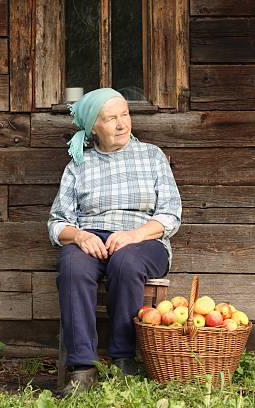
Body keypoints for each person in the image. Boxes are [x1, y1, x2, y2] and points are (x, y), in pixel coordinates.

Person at [47, 88, 182, 396]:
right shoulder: (79, 166)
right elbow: (57, 223)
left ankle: (123, 360)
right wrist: (80, 236)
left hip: (144, 241)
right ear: (93, 126)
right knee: (72, 264)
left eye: (125, 115)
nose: (122, 124)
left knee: (126, 261)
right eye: (111, 118)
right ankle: (82, 369)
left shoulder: (152, 156)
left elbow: (171, 214)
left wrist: (134, 236)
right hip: (92, 238)